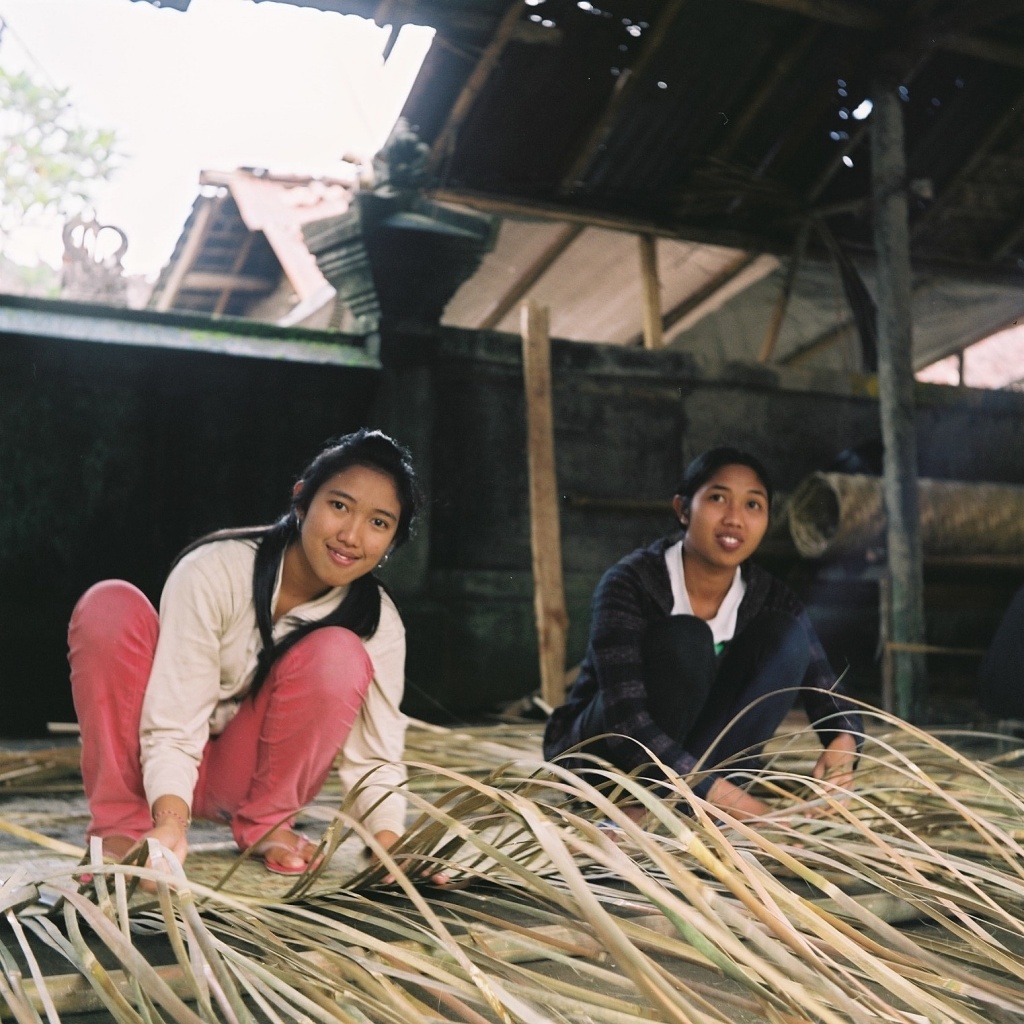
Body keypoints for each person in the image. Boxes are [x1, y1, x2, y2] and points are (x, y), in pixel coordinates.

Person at [69, 428, 420, 876]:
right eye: (339, 506)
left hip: (240, 782)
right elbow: (174, 722)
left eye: (378, 522)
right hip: (152, 765)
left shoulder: (379, 621)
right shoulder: (213, 569)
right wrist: (172, 824)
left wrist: (392, 845)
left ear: (391, 541)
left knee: (339, 653)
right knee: (109, 607)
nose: (351, 535)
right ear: (301, 501)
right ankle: (120, 826)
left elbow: (377, 756)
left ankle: (268, 823)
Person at [543, 446, 863, 819]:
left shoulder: (772, 597)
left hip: (695, 769)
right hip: (606, 765)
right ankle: (649, 808)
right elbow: (624, 722)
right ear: (682, 509)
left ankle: (680, 810)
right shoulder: (630, 583)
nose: (734, 518)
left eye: (752, 505)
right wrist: (739, 805)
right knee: (688, 640)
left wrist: (843, 744)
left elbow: (829, 694)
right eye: (717, 498)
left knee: (786, 637)